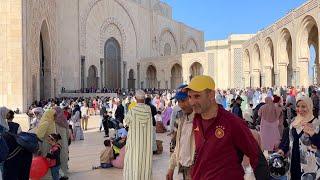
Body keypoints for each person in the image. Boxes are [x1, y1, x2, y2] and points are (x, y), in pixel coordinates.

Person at [186, 75, 269, 179]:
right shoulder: (196, 121)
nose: (192, 102)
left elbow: (256, 157)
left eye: (197, 96)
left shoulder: (232, 123)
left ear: (211, 95)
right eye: (190, 97)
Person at [278, 96, 320, 179]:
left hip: (309, 167)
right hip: (293, 163)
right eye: (298, 106)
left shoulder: (316, 123)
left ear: (309, 107)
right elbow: (290, 140)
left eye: (303, 106)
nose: (300, 109)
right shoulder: (294, 121)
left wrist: (312, 135)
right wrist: (282, 150)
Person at [166, 86, 195, 180]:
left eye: (183, 100)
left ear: (192, 98)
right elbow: (179, 146)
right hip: (185, 169)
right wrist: (171, 168)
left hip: (197, 170)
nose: (181, 105)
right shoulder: (182, 119)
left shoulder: (200, 120)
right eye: (178, 101)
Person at [123, 90, 153, 180]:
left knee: (133, 162)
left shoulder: (132, 110)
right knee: (145, 163)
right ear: (144, 99)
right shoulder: (148, 110)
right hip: (146, 144)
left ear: (135, 98)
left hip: (134, 144)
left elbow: (126, 122)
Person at [53, 106, 69, 179]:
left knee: (58, 158)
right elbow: (68, 133)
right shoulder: (64, 121)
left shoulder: (53, 122)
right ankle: (64, 173)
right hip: (64, 143)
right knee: (64, 157)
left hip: (56, 144)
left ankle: (59, 175)